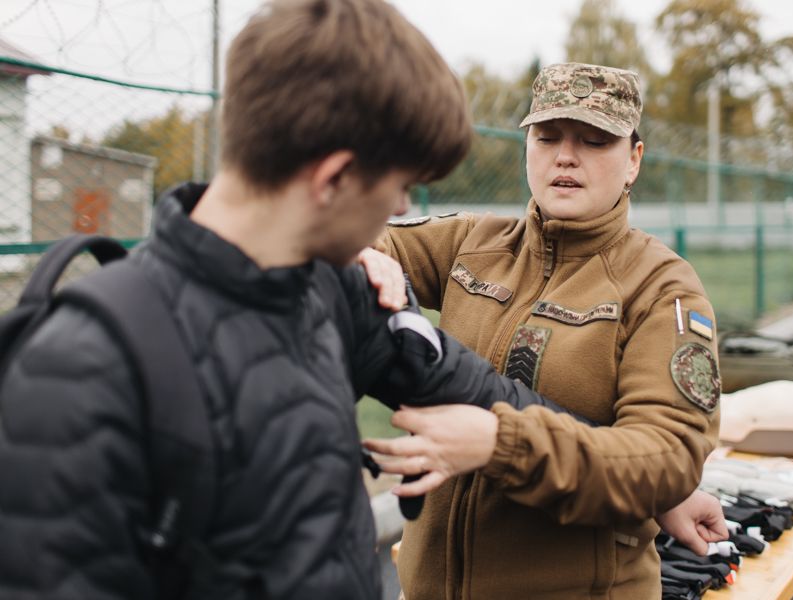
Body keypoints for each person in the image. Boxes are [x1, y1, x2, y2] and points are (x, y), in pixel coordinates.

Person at [0, 1, 482, 598]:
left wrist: (513, 443)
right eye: (402, 185)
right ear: (334, 178)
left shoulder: (331, 290)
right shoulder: (82, 371)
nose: (404, 207)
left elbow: (492, 395)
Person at [364, 62, 723, 599]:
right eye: (547, 136)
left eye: (595, 141)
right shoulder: (474, 244)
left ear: (634, 160)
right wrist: (363, 249)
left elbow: (667, 460)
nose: (566, 156)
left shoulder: (660, 288)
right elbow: (353, 237)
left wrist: (499, 443)